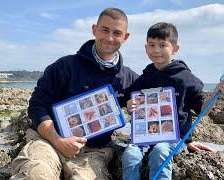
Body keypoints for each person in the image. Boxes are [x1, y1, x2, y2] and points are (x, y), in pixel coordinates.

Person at [11, 8, 138, 180]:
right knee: (36, 174)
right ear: (94, 29)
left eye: (117, 33)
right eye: (104, 30)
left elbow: (161, 95)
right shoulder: (64, 66)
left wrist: (135, 106)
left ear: (125, 37)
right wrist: (57, 141)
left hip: (93, 152)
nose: (109, 38)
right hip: (48, 142)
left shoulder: (129, 79)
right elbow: (37, 105)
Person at [122, 22, 224, 180]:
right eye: (151, 45)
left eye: (162, 45)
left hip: (173, 138)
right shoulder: (144, 78)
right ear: (146, 48)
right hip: (144, 136)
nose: (156, 50)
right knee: (130, 154)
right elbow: (131, 103)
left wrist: (216, 92)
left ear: (175, 48)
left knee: (160, 151)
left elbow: (202, 110)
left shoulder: (185, 78)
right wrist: (129, 106)